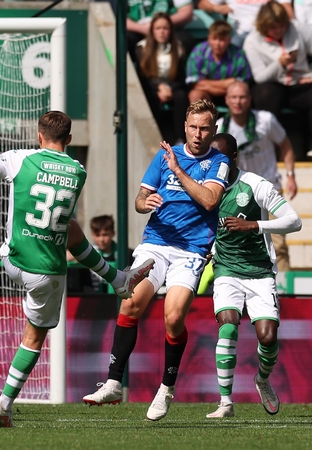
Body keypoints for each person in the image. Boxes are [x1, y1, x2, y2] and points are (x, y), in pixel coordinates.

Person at [0, 111, 154, 428]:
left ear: (39, 137)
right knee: (34, 339)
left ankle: (117, 279)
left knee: (72, 228)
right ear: (71, 140)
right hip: (47, 272)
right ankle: (4, 405)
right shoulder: (78, 170)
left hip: (11, 258)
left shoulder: (20, 159)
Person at [82, 100, 230, 421]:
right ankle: (113, 383)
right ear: (185, 127)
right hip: (156, 243)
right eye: (193, 127)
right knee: (130, 303)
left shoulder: (219, 162)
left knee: (173, 317)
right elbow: (139, 199)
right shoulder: (164, 157)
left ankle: (165, 389)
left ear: (213, 129)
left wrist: (178, 170)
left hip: (191, 250)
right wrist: (144, 201)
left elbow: (209, 199)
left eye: (205, 128)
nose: (198, 133)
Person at [204, 133, 301, 418]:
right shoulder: (206, 188)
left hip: (260, 271)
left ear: (234, 158)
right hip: (226, 270)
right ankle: (225, 403)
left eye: (220, 159)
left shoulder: (255, 184)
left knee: (268, 337)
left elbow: (293, 221)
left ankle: (262, 380)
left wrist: (254, 226)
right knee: (229, 326)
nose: (215, 165)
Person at [216, 81, 297, 271]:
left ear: (250, 99)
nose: (238, 101)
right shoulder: (220, 127)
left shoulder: (265, 120)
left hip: (268, 188)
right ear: (226, 100)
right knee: (235, 244)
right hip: (237, 192)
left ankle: (284, 292)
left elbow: (286, 146)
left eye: (242, 97)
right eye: (234, 97)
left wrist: (291, 175)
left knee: (278, 245)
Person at [243, 1, 312, 158]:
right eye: (274, 27)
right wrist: (279, 64)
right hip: (273, 85)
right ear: (264, 26)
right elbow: (260, 77)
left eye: (282, 26)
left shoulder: (297, 28)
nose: (279, 30)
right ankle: (268, 147)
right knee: (265, 94)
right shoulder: (252, 41)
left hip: (300, 83)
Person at [134, 12, 189, 143]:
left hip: (172, 86)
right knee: (149, 97)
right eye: (158, 28)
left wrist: (169, 88)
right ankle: (154, 136)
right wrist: (159, 88)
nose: (162, 32)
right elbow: (143, 77)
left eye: (165, 28)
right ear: (152, 30)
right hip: (152, 86)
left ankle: (180, 138)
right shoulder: (142, 48)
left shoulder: (178, 48)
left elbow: (181, 77)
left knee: (181, 96)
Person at [186, 20, 252, 105]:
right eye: (214, 38)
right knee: (195, 94)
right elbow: (194, 83)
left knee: (240, 95)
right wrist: (228, 83)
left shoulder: (238, 54)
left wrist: (205, 83)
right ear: (209, 38)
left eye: (221, 40)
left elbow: (242, 84)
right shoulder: (199, 51)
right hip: (206, 94)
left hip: (231, 95)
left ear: (229, 40)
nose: (217, 43)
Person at [199, 0, 294, 47]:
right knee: (231, 46)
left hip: (268, 32)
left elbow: (287, 9)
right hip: (242, 34)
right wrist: (217, 8)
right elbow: (202, 4)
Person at [125, 0, 194, 64]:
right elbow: (118, 17)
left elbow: (186, 12)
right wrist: (142, 28)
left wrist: (162, 24)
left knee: (185, 41)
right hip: (137, 31)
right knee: (122, 41)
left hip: (169, 30)